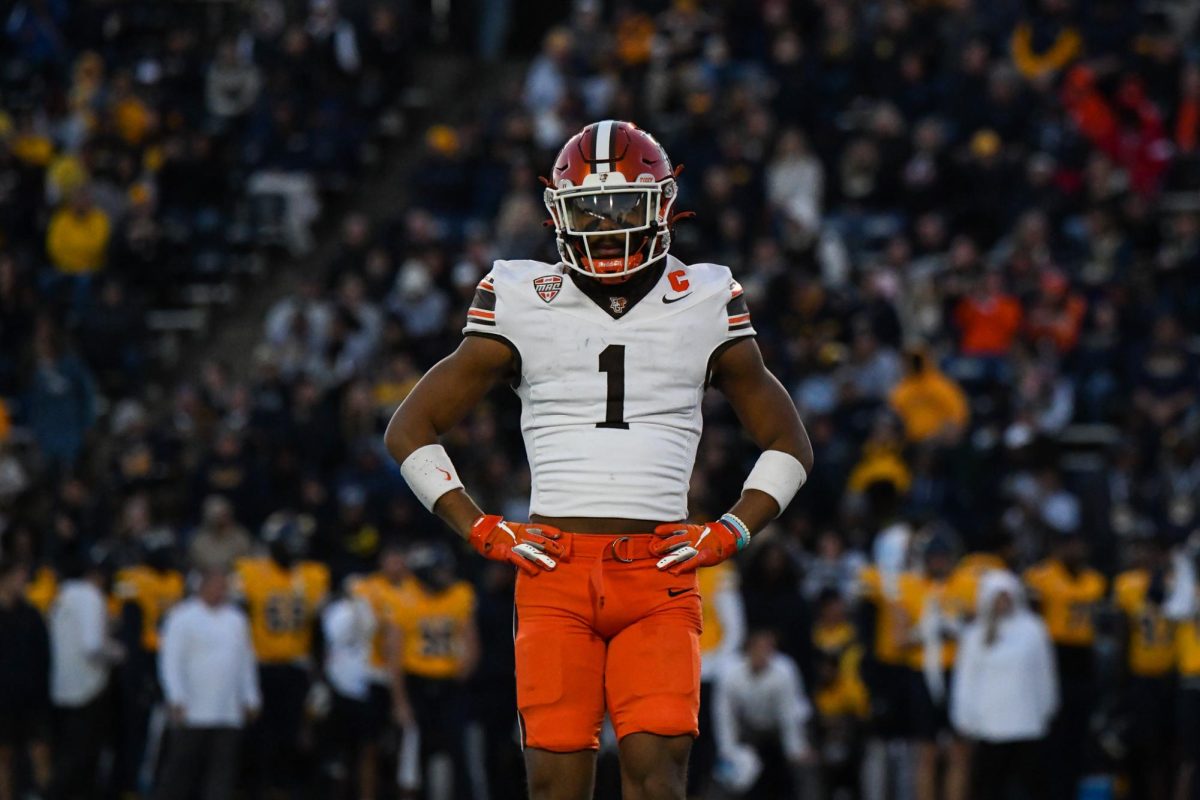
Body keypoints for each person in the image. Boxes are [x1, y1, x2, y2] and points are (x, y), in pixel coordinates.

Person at [384, 119, 813, 800]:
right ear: (559, 211)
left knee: (658, 780)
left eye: (622, 209)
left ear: (662, 206)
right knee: (554, 786)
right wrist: (479, 526)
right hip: (554, 569)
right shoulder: (523, 296)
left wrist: (731, 529)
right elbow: (410, 427)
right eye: (589, 209)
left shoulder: (704, 297)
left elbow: (789, 441)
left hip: (657, 570)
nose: (607, 227)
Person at [234, 511, 330, 798]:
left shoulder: (312, 575)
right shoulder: (248, 572)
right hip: (259, 666)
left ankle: (283, 789)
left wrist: (319, 675)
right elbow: (236, 623)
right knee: (257, 735)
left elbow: (318, 631)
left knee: (291, 736)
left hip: (296, 667)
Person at [154, 568, 261, 800]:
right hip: (192, 709)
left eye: (224, 587)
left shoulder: (236, 619)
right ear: (202, 586)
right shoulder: (182, 617)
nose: (220, 591)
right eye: (216, 585)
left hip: (227, 710)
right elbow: (170, 662)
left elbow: (245, 662)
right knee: (180, 770)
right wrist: (175, 696)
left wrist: (250, 697)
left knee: (222, 773)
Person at [950, 571, 1057, 800]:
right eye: (997, 598)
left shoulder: (1033, 630)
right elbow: (966, 679)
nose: (1002, 603)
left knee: (1027, 786)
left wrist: (1047, 706)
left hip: (1027, 724)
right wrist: (964, 717)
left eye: (1006, 597)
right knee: (989, 786)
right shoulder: (975, 634)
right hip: (990, 727)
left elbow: (1044, 673)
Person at [391, 542, 479, 800]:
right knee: (413, 760)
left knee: (458, 753)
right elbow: (393, 656)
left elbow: (472, 644)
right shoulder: (403, 598)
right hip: (416, 683)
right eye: (439, 571)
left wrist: (459, 674)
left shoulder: (460, 594)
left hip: (449, 685)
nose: (445, 576)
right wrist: (400, 701)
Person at [1023, 530, 1106, 799]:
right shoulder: (1040, 577)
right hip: (1050, 659)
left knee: (1077, 737)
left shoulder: (1095, 580)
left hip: (1083, 661)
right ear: (1057, 548)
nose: (1075, 550)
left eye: (1078, 545)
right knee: (1050, 738)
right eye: (1069, 545)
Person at [111, 531, 185, 797]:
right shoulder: (135, 580)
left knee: (163, 731)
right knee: (133, 728)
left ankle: (156, 785)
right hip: (141, 659)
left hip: (168, 658)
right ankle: (128, 785)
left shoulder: (176, 580)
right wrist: (138, 673)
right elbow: (130, 631)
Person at [46, 550, 124, 800]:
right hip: (87, 688)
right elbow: (92, 646)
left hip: (59, 687)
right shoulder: (91, 596)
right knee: (82, 755)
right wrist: (117, 653)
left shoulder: (62, 594)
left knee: (65, 750)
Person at [711, 629, 816, 799]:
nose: (763, 654)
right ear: (748, 649)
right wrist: (727, 749)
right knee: (741, 778)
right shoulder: (730, 674)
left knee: (793, 775)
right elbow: (724, 715)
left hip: (780, 729)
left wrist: (795, 749)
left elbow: (788, 713)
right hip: (750, 731)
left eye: (768, 649)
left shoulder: (784, 671)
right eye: (758, 648)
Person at [0, 558, 51, 800]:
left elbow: (43, 657)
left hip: (32, 697)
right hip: (3, 699)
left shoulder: (31, 614)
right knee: (4, 756)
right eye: (19, 575)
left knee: (40, 750)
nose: (24, 580)